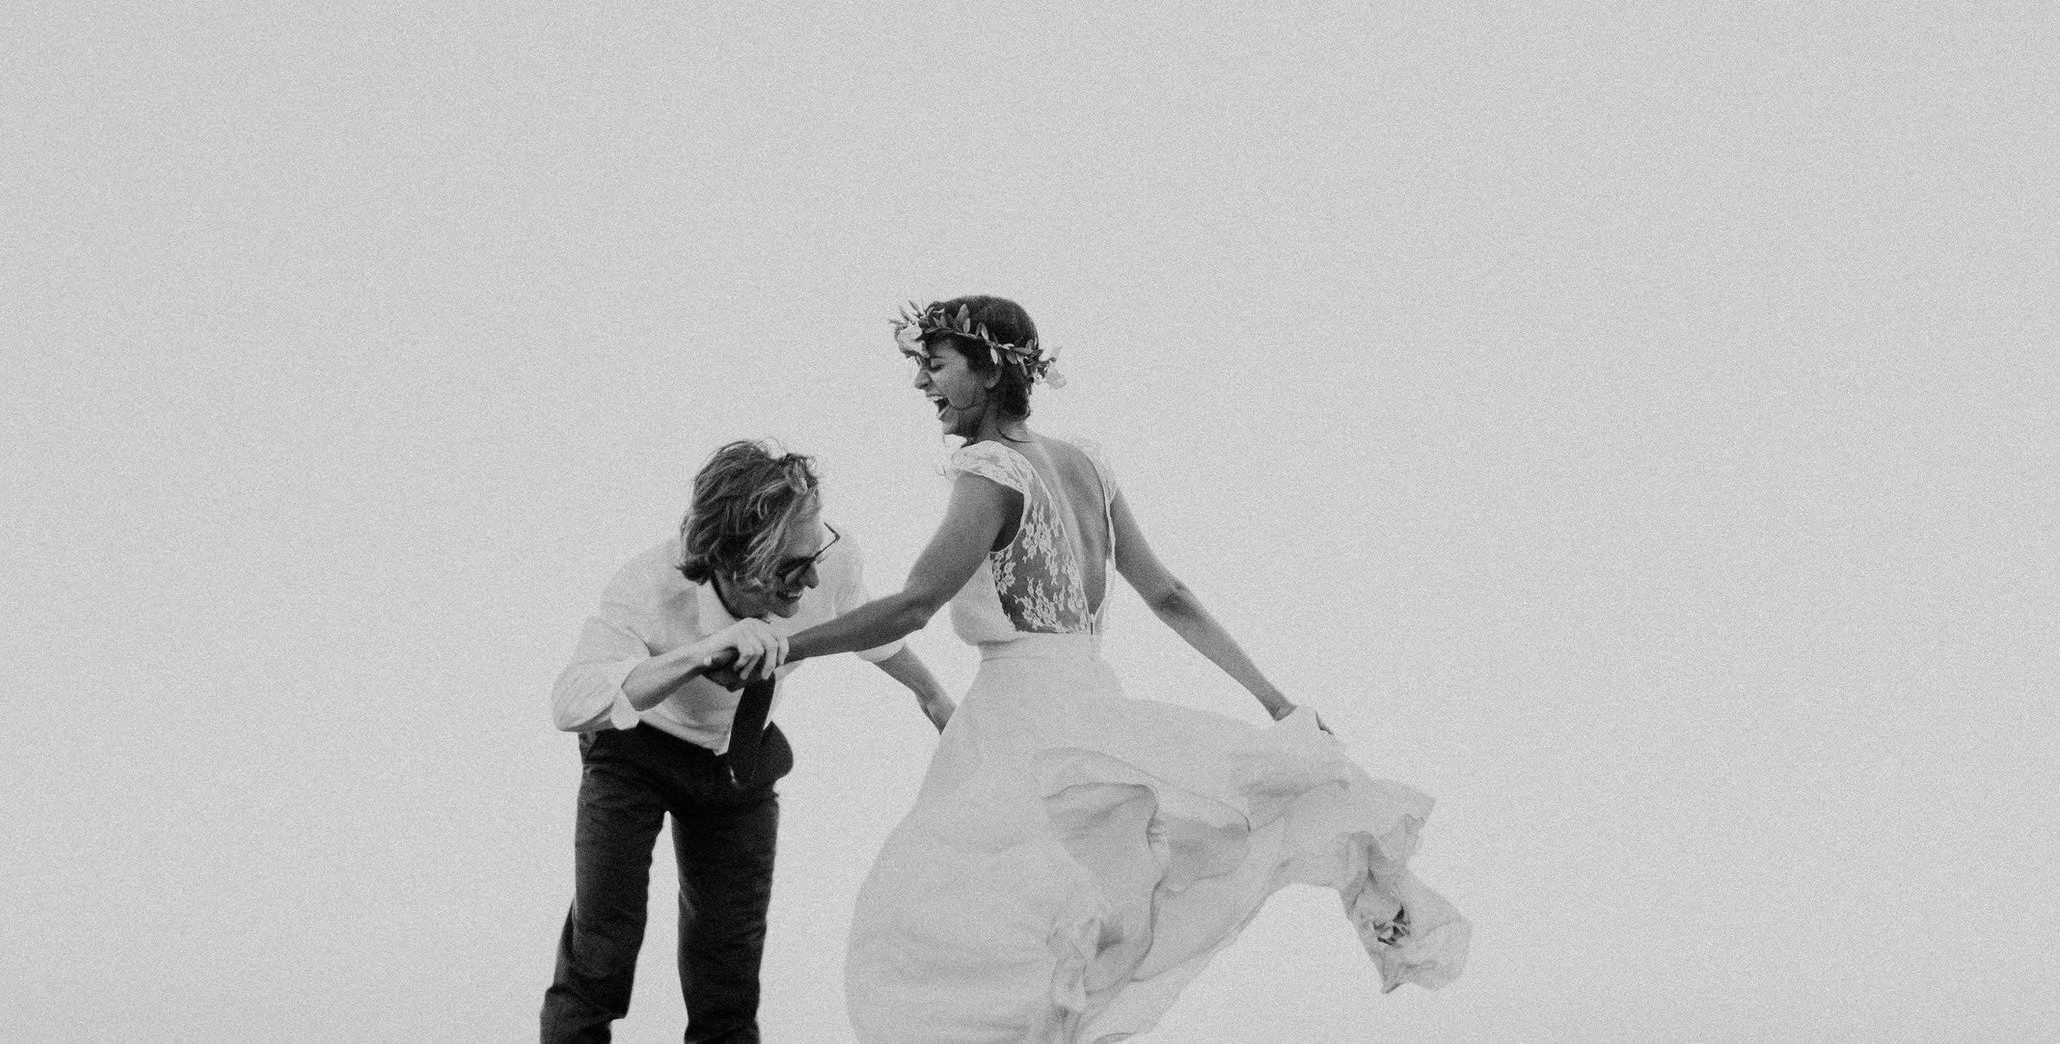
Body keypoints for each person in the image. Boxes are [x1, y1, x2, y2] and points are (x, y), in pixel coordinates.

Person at [727, 297, 1470, 1044]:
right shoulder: (1086, 465)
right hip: (1089, 704)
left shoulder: (989, 470)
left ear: (986, 370)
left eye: (937, 363)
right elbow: (1170, 596)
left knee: (925, 922)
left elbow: (917, 602)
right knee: (1046, 941)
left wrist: (787, 643)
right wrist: (1275, 702)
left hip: (1022, 724)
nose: (924, 382)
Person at [543, 439, 957, 1044]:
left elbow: (866, 630)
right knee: (605, 942)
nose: (812, 577)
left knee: (728, 967)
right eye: (791, 565)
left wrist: (933, 697)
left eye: (816, 553)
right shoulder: (648, 586)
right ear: (729, 560)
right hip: (635, 758)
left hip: (739, 762)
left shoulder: (829, 565)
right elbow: (571, 703)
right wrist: (696, 654)